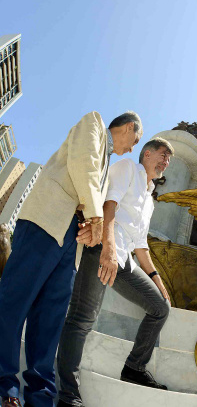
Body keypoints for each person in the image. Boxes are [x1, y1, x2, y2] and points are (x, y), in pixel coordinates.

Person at [0, 111, 142, 407]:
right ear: (128, 127)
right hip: (45, 222)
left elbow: (93, 201)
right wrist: (98, 221)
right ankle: (5, 388)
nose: (131, 149)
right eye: (134, 140)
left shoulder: (107, 165)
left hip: (71, 245)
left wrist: (93, 230)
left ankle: (40, 397)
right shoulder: (94, 123)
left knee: (49, 321)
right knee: (13, 303)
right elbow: (82, 166)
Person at [56, 138, 174, 406]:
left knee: (160, 307)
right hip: (102, 248)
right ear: (146, 153)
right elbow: (108, 207)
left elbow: (141, 245)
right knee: (82, 318)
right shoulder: (127, 168)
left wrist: (157, 279)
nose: (166, 161)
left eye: (169, 159)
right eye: (163, 154)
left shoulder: (150, 198)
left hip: (125, 259)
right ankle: (68, 395)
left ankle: (134, 368)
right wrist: (107, 250)